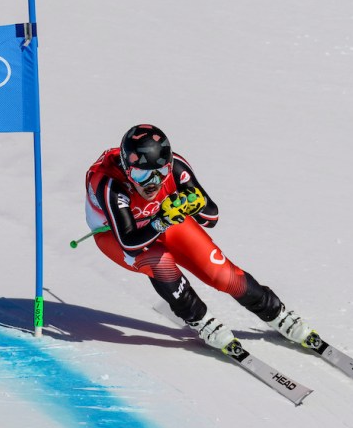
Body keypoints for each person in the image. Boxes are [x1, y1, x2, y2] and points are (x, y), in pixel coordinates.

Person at [84, 123, 315, 351]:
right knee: (159, 261)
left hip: (164, 219)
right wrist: (162, 220)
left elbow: (211, 217)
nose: (153, 182)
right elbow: (129, 243)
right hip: (116, 235)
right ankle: (199, 318)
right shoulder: (109, 184)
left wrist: (195, 205)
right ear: (126, 168)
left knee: (221, 273)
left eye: (160, 171)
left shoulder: (176, 167)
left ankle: (275, 312)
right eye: (142, 174)